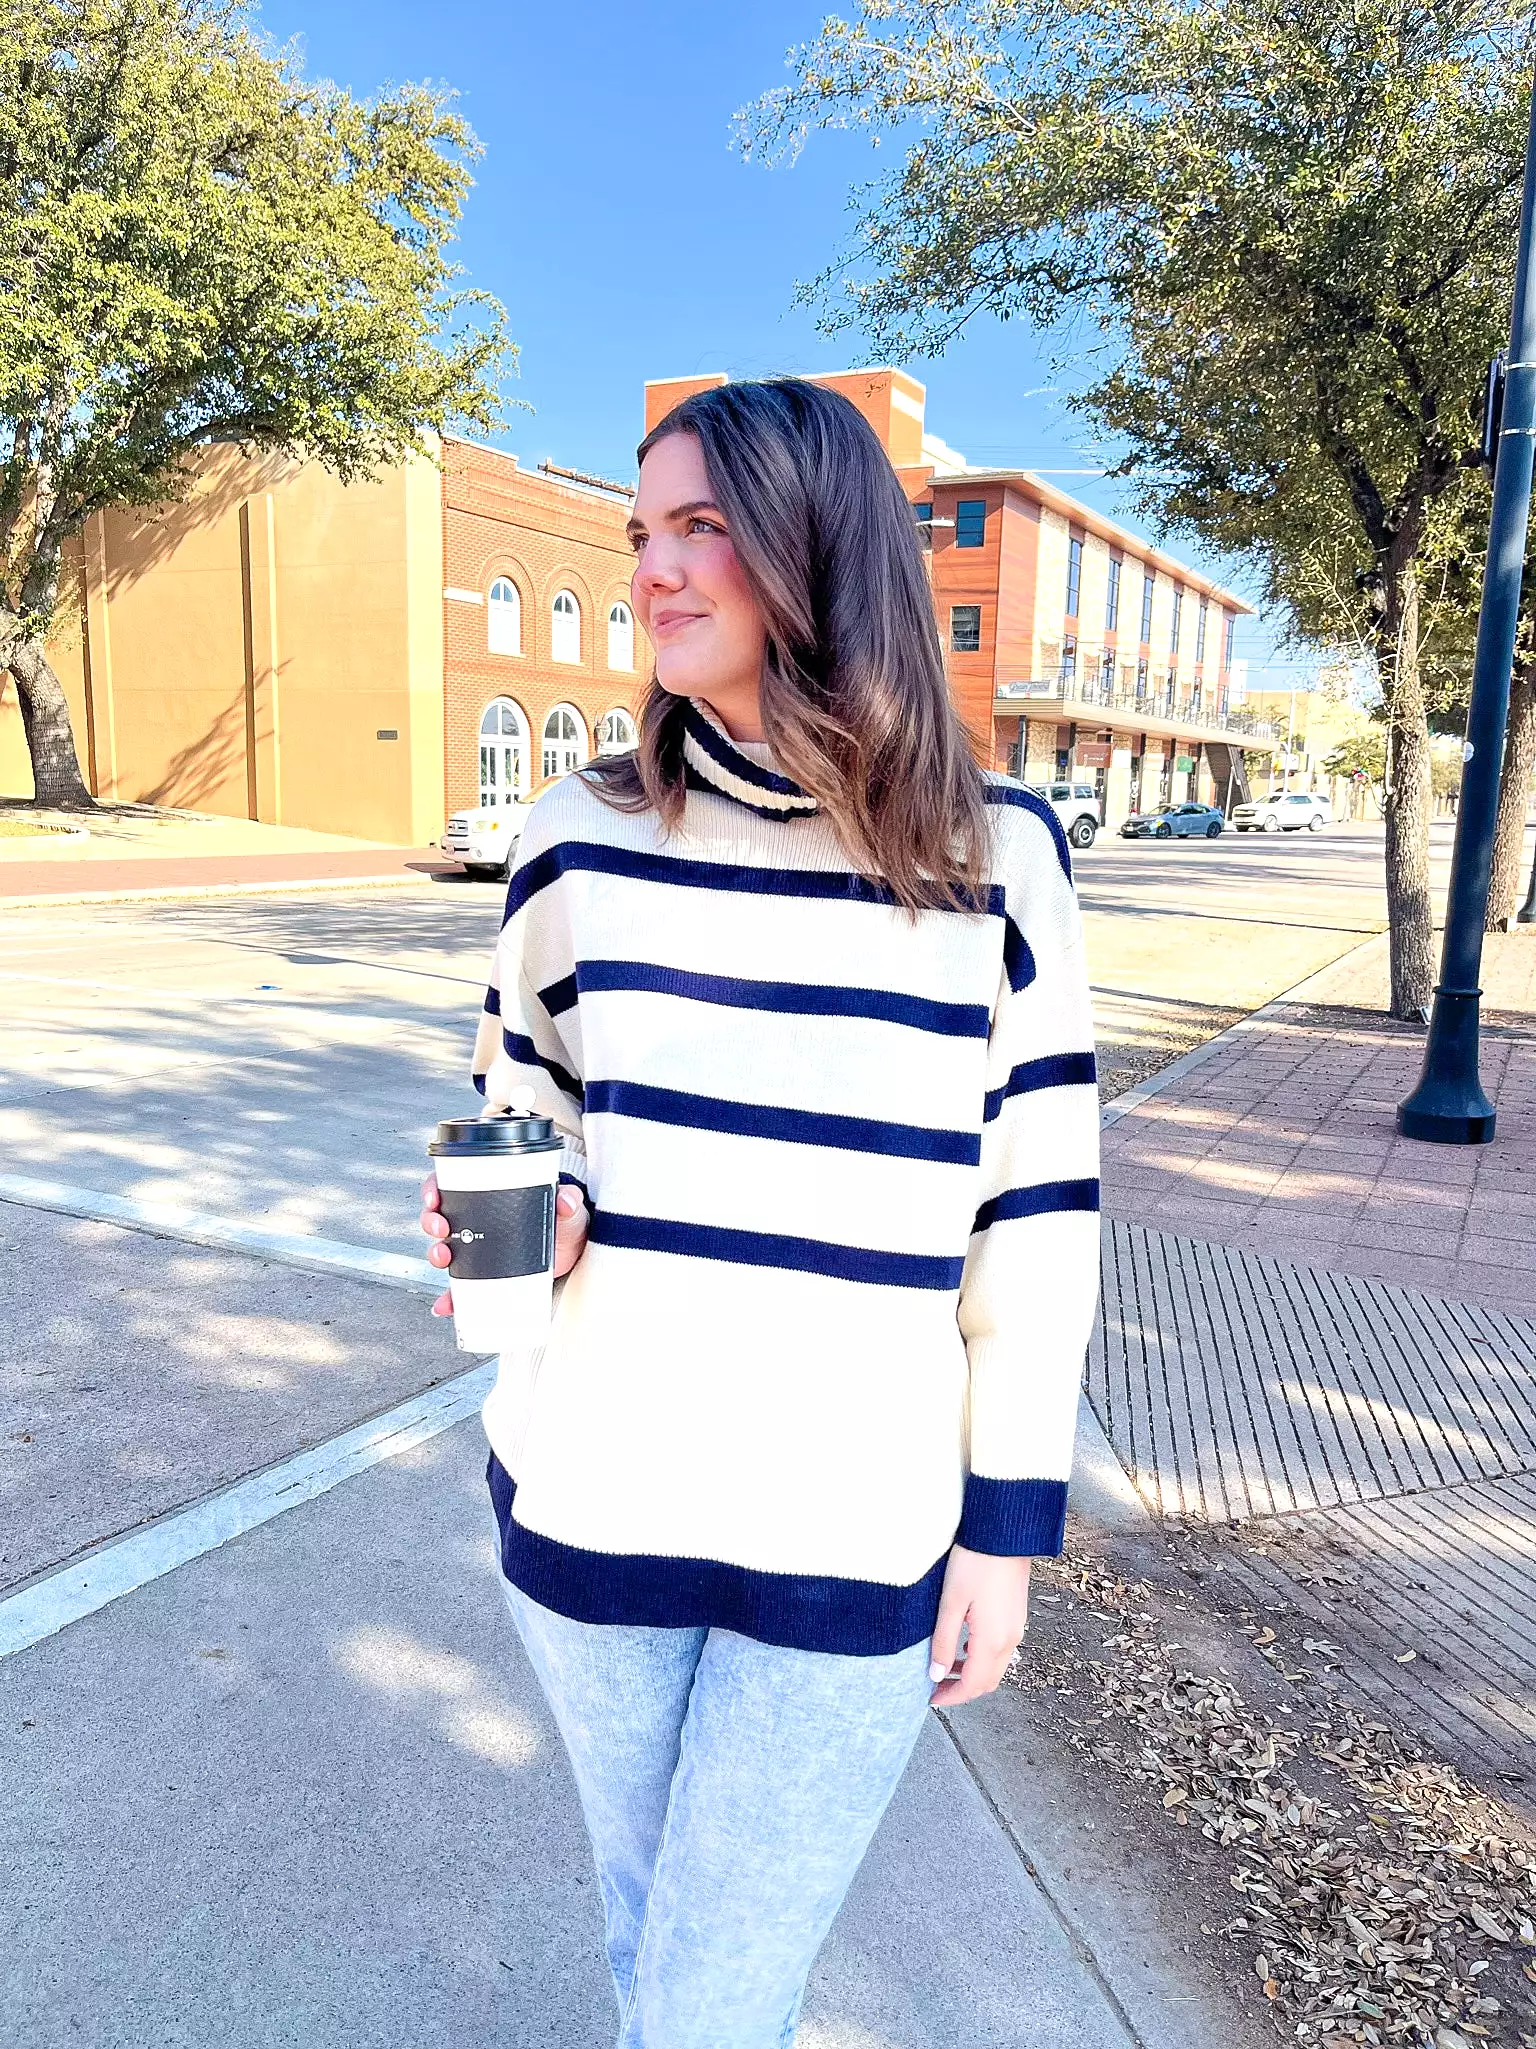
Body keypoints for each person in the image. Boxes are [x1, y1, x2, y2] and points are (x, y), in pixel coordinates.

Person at [419, 377, 1101, 2047]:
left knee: (710, 1985)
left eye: (700, 527)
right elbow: (529, 1115)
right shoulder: (575, 842)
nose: (653, 569)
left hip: (853, 1523)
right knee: (670, 1946)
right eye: (642, 533)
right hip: (597, 1491)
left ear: (818, 547)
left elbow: (1039, 1219)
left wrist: (1007, 1529)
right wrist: (520, 1216)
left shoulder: (995, 860)